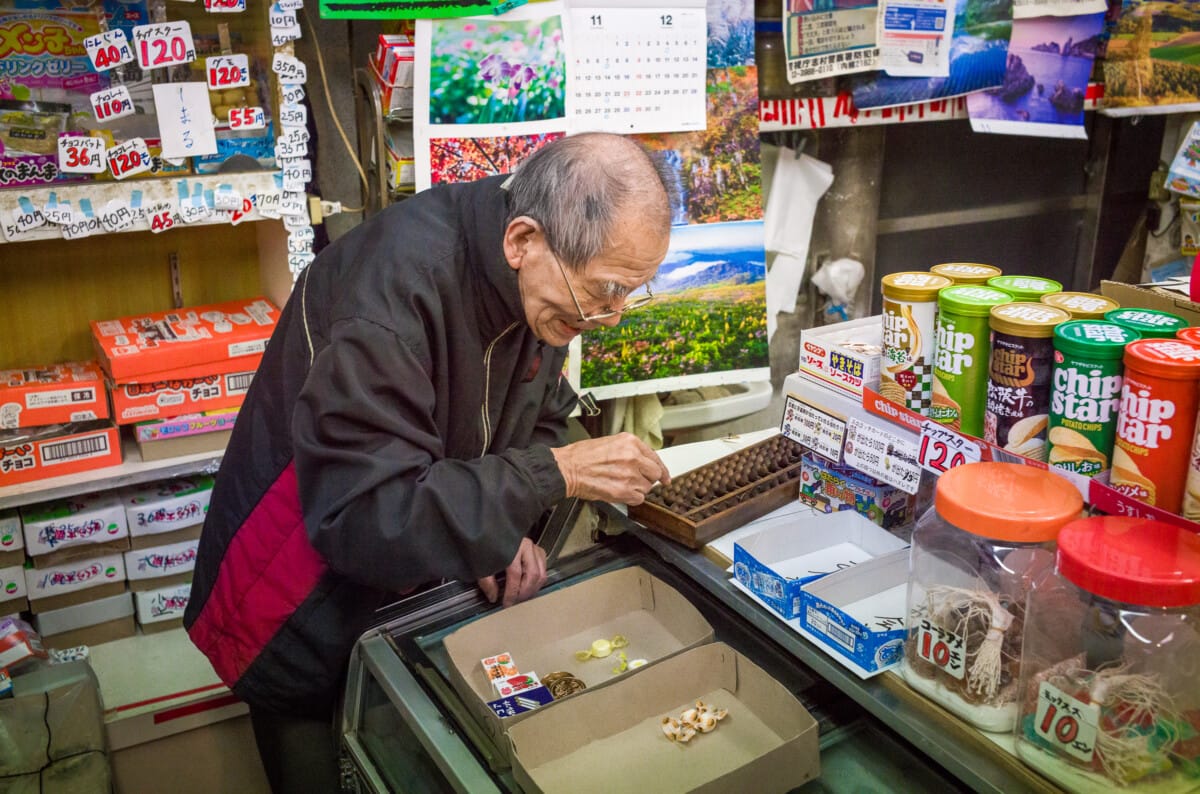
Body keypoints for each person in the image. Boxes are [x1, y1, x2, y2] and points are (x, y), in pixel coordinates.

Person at [183, 132, 675, 793]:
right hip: (293, 598)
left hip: (404, 587)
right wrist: (550, 475)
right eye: (605, 291)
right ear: (523, 240)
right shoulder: (394, 292)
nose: (611, 316)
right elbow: (367, 515)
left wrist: (508, 531)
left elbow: (539, 416)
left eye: (630, 293)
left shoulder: (534, 288)